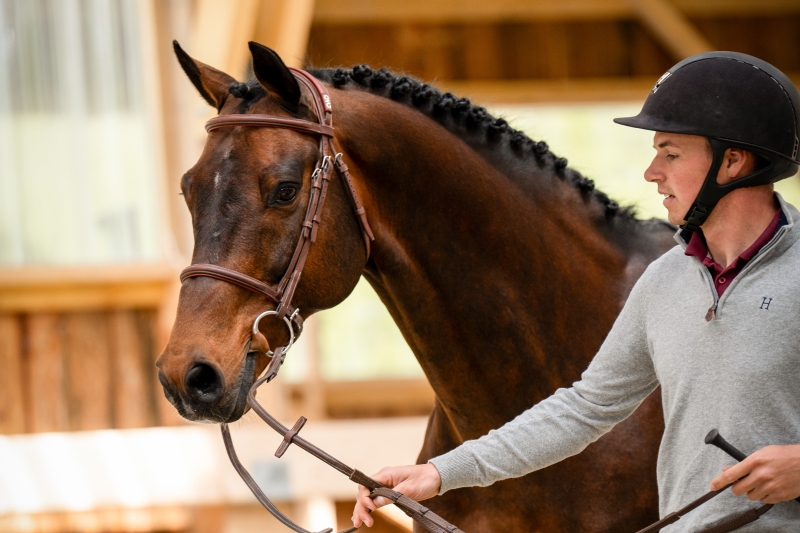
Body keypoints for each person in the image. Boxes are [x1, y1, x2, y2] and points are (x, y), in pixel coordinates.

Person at [351, 51, 800, 532]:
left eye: (670, 154)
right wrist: (440, 473)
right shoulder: (665, 280)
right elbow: (586, 408)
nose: (652, 172)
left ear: (733, 161)